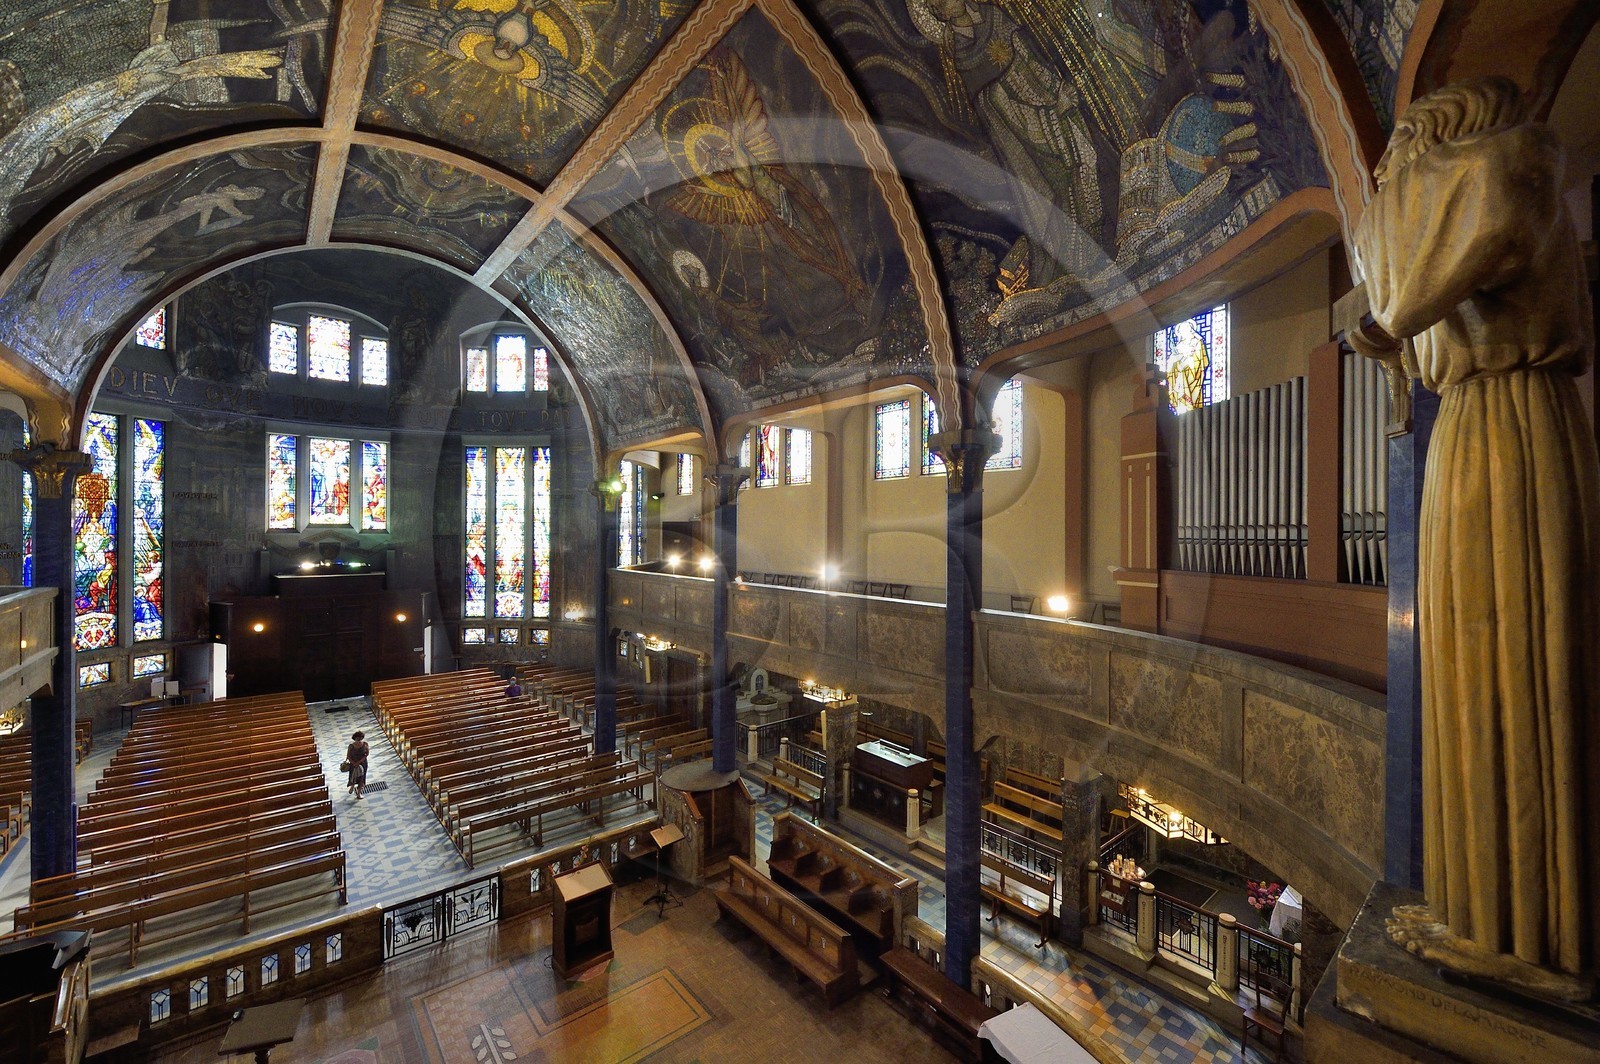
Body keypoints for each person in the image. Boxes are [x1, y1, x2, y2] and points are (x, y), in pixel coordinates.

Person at [345, 730, 370, 800]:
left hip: (363, 764)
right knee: (353, 776)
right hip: (353, 764)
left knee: (362, 778)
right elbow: (348, 756)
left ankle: (359, 794)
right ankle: (352, 786)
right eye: (358, 738)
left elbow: (367, 754)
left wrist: (359, 762)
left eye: (361, 738)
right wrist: (354, 763)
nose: (359, 740)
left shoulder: (365, 744)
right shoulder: (351, 746)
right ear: (354, 738)